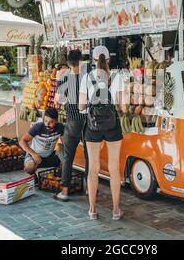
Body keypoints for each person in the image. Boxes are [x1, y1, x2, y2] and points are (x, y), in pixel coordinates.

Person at [78, 46, 125, 221]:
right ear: (109, 59)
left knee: (93, 169)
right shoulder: (116, 77)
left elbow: (81, 106)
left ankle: (92, 210)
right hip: (113, 126)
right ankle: (115, 211)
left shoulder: (86, 78)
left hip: (93, 126)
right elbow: (123, 107)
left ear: (93, 60)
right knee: (114, 168)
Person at [53, 50, 86, 202]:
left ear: (68, 62)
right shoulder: (89, 76)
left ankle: (65, 192)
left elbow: (59, 99)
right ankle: (90, 189)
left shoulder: (65, 77)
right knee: (90, 156)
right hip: (88, 121)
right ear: (81, 60)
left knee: (68, 156)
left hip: (72, 120)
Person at [19, 108, 64, 176]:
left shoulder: (60, 127)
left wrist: (63, 157)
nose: (47, 124)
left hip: (50, 155)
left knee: (65, 159)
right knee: (29, 168)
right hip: (34, 155)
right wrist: (34, 154)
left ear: (56, 121)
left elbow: (65, 143)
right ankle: (31, 165)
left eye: (51, 122)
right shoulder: (38, 127)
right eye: (45, 121)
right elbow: (22, 141)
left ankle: (62, 180)